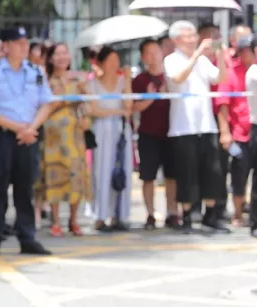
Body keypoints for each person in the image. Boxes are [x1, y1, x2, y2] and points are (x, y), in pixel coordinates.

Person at [0, 27, 53, 257]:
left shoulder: (35, 72)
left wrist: (31, 128)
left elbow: (46, 103)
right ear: (6, 46)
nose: (24, 47)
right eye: (18, 43)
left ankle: (27, 238)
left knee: (25, 189)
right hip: (2, 136)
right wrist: (18, 128)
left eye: (25, 42)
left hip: (29, 136)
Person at [163, 21, 228, 231]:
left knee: (212, 171)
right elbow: (178, 78)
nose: (194, 40)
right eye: (189, 36)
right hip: (183, 128)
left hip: (206, 125)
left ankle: (211, 215)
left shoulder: (203, 61)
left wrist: (219, 56)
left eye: (194, 36)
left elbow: (220, 78)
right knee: (186, 173)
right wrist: (197, 54)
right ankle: (187, 216)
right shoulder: (171, 60)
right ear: (176, 40)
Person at [35, 43, 89, 237]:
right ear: (50, 58)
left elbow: (86, 102)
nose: (61, 57)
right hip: (53, 136)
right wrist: (62, 100)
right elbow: (43, 105)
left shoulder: (76, 79)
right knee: (54, 175)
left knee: (76, 174)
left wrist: (85, 116)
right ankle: (56, 220)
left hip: (74, 134)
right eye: (57, 54)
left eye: (65, 53)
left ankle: (73, 220)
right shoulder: (45, 80)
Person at [132, 39, 179, 229]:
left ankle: (172, 212)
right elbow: (133, 107)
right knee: (148, 176)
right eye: (148, 53)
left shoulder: (172, 77)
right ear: (143, 57)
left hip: (171, 132)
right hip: (148, 134)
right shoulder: (139, 80)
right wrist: (151, 98)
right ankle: (150, 214)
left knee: (171, 176)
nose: (153, 57)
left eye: (156, 52)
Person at [88, 46, 133, 231]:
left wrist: (128, 80)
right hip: (101, 130)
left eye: (116, 60)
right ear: (101, 63)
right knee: (100, 171)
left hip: (120, 131)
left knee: (121, 169)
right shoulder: (92, 84)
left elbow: (128, 106)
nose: (114, 64)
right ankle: (99, 215)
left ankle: (118, 214)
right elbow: (93, 110)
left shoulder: (123, 82)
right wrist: (117, 111)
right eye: (110, 60)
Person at [214, 34, 255, 227]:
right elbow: (223, 104)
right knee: (239, 175)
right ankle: (238, 213)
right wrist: (225, 132)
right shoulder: (231, 73)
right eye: (244, 51)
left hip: (254, 129)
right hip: (239, 133)